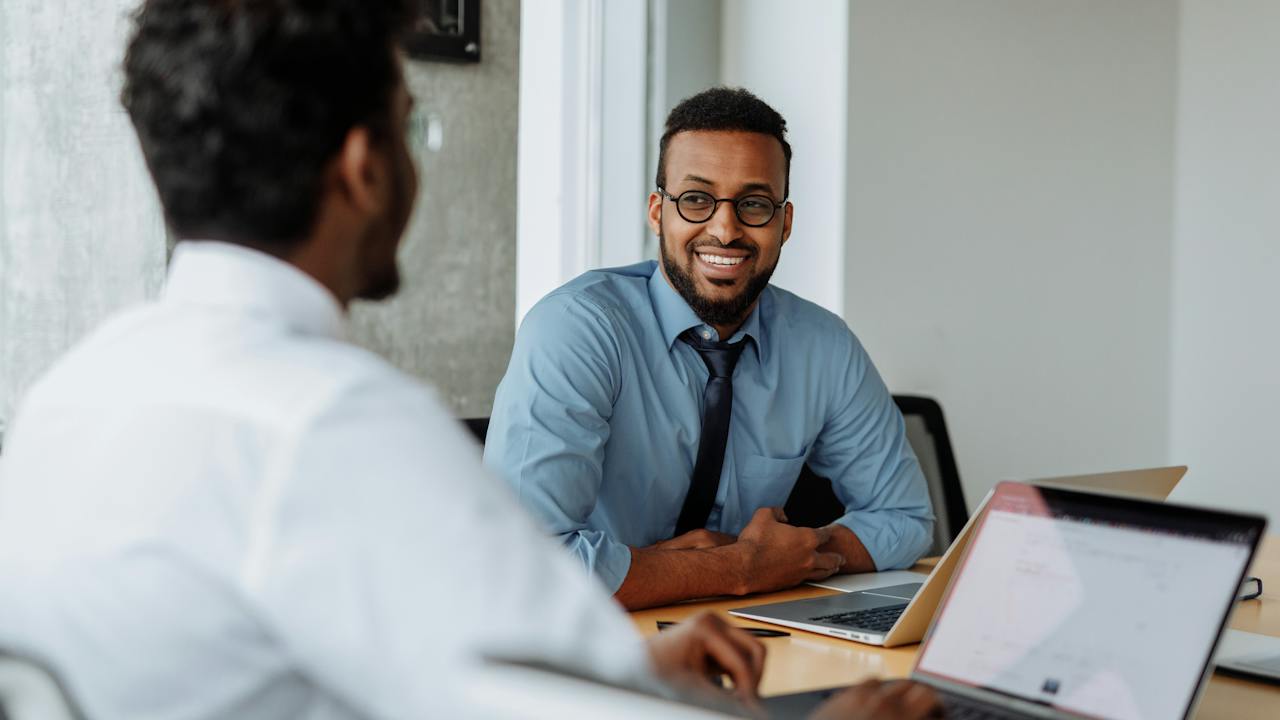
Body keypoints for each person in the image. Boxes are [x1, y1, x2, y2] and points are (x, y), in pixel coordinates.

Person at [0, 2, 940, 718]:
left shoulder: (66, 396)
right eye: (416, 128)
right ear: (367, 167)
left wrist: (613, 667)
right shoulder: (336, 421)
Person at [486, 88, 935, 610]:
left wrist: (795, 555)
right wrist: (736, 568)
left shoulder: (824, 347)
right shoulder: (577, 330)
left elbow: (905, 517)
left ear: (784, 224)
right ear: (658, 212)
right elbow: (521, 566)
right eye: (696, 199)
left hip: (757, 640)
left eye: (754, 204)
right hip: (595, 642)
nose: (725, 229)